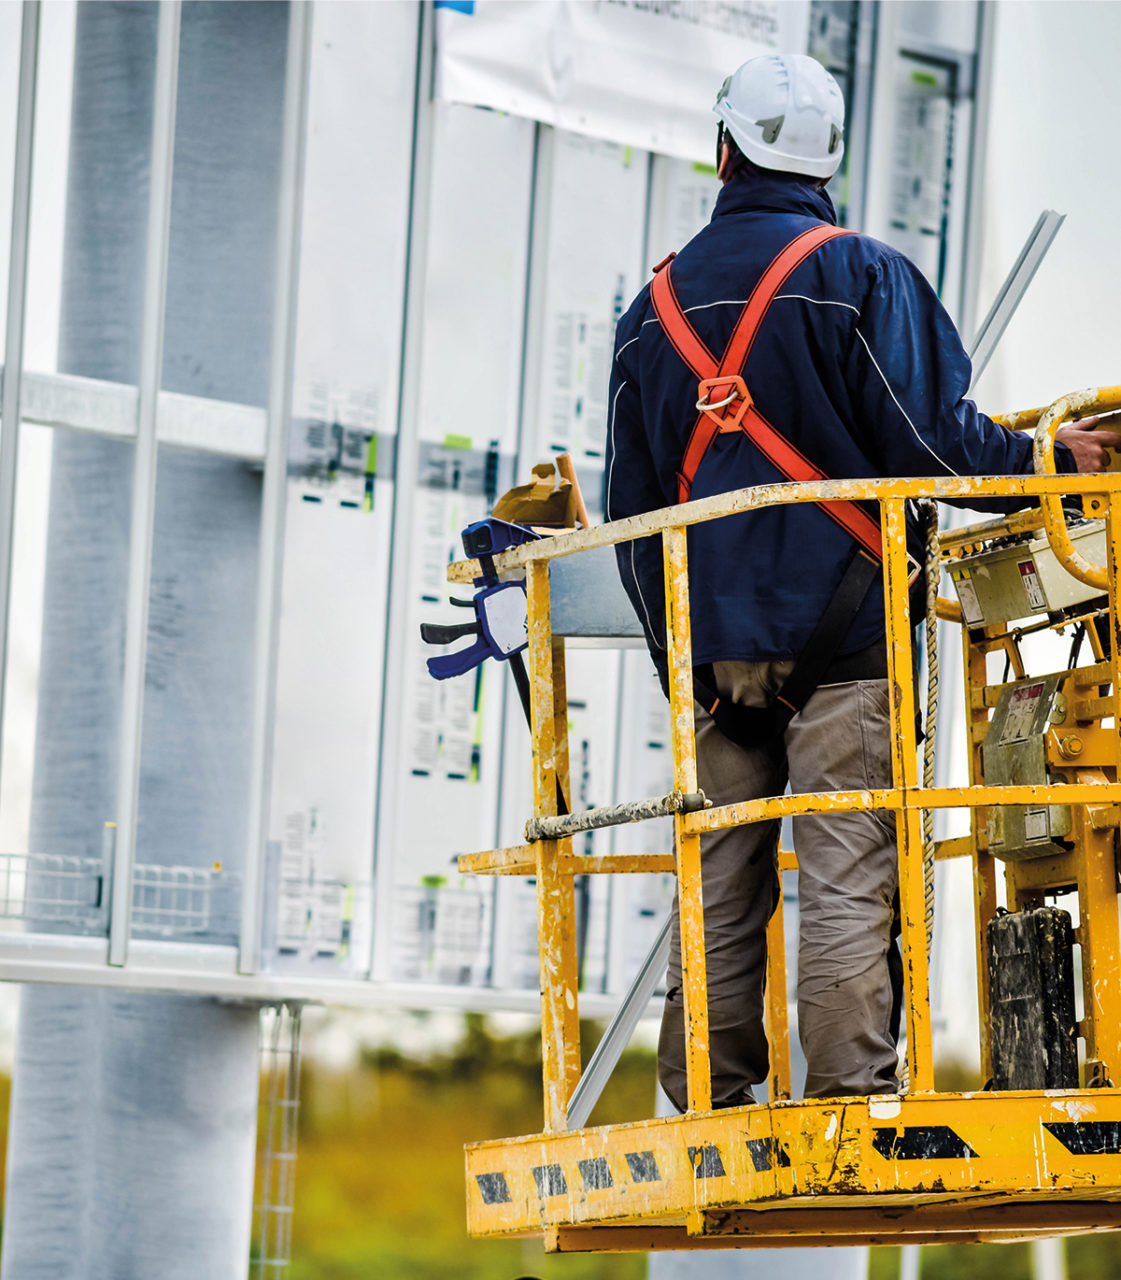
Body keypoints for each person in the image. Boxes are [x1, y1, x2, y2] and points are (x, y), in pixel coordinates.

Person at [604, 53, 1119, 1109]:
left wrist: (682, 658)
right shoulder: (856, 277)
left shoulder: (647, 312)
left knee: (715, 884)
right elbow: (935, 446)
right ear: (826, 161)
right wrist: (1053, 464)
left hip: (708, 655)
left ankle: (706, 1099)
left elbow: (627, 514)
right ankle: (848, 1101)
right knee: (844, 875)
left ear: (721, 148)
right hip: (841, 638)